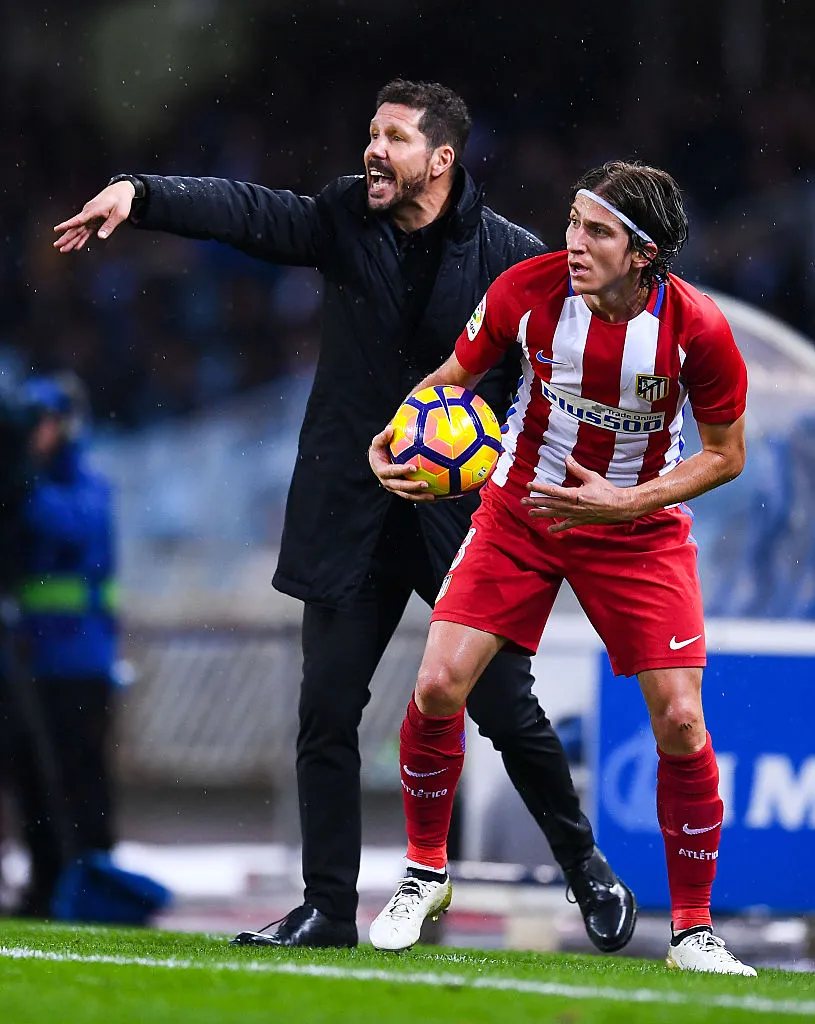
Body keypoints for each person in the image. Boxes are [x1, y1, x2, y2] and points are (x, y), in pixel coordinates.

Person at [53, 80, 635, 951]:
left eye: (393, 137)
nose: (372, 149)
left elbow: (559, 378)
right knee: (325, 713)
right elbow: (249, 212)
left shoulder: (512, 263)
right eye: (370, 132)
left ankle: (586, 868)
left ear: (439, 159)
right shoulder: (340, 219)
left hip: (455, 521)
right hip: (349, 511)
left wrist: (502, 466)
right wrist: (142, 193)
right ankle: (327, 908)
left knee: (505, 707)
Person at [368, 159, 757, 975]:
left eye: (596, 232)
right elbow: (451, 382)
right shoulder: (524, 290)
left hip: (636, 526)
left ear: (642, 253)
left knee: (681, 721)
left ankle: (692, 932)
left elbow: (725, 455)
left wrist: (628, 502)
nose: (572, 243)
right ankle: (423, 874)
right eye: (573, 223)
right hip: (525, 509)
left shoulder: (698, 330)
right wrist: (395, 438)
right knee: (438, 682)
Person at [6, 375, 117, 915]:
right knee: (32, 778)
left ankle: (92, 882)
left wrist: (22, 484)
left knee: (81, 777)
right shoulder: (32, 485)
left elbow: (73, 525)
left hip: (79, 660)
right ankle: (48, 881)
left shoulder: (85, 488)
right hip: (35, 660)